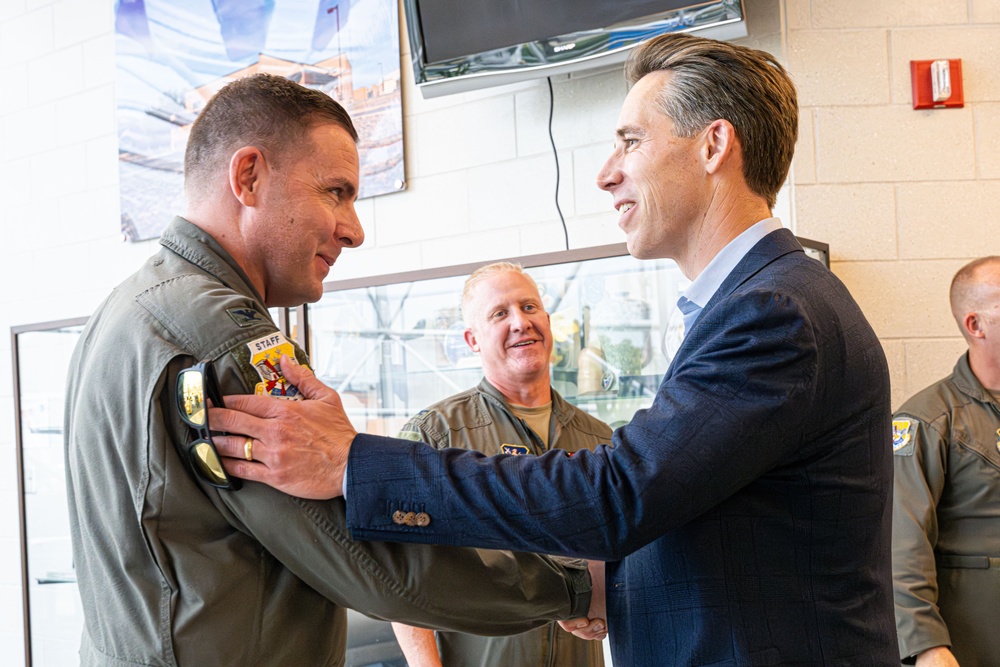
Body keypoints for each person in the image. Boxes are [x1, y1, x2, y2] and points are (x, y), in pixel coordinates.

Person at [211, 33, 898, 664]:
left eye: (630, 141)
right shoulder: (763, 303)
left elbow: (616, 496)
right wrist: (616, 579)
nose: (606, 173)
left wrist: (353, 461)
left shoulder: (771, 313)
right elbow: (720, 520)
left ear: (714, 146)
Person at [63, 73, 602, 666]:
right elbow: (368, 556)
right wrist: (572, 587)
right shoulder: (222, 337)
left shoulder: (124, 312)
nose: (355, 229)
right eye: (336, 192)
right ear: (249, 177)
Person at [390, 262, 611, 667]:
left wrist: (608, 606)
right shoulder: (435, 436)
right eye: (500, 313)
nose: (520, 322)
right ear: (472, 339)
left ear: (547, 320)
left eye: (530, 307)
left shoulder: (600, 440)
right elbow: (400, 568)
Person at [892, 256, 1000, 667]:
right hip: (976, 645)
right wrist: (925, 645)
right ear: (976, 325)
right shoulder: (928, 420)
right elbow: (902, 543)